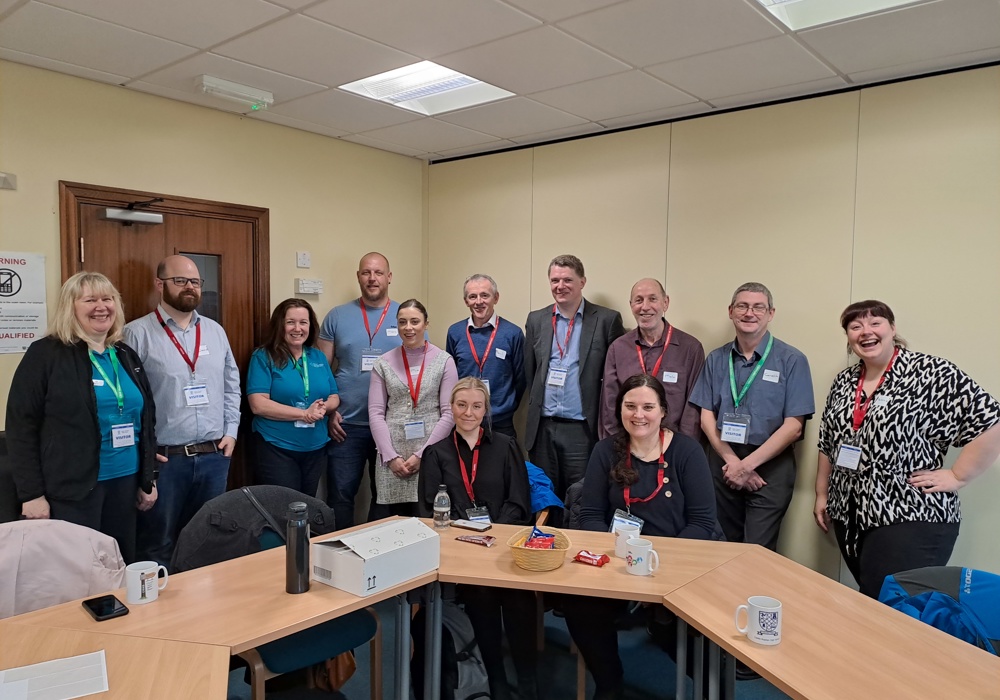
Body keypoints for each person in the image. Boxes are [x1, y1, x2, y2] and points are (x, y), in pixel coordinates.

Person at [815, 300, 1000, 598]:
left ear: (892, 328)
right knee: (872, 602)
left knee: (892, 608)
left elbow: (991, 421)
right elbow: (827, 440)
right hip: (851, 513)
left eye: (875, 323)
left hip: (909, 512)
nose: (866, 331)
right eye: (855, 326)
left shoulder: (931, 372)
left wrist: (957, 476)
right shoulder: (845, 381)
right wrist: (822, 494)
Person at [563, 373, 717, 700]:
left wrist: (654, 570)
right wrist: (620, 564)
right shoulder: (606, 451)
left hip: (673, 566)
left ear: (663, 411)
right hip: (618, 562)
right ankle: (610, 684)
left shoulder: (687, 452)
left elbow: (703, 523)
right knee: (579, 605)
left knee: (683, 625)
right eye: (630, 406)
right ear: (620, 409)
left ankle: (706, 682)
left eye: (648, 407)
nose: (638, 415)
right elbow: (591, 516)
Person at [7, 272, 159, 562]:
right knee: (76, 570)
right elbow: (21, 427)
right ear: (70, 307)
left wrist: (148, 478)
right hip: (72, 489)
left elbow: (146, 419)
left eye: (107, 299)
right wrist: (31, 495)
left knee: (119, 564)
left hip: (125, 483)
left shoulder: (125, 354)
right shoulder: (46, 354)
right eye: (90, 300)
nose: (101, 307)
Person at [420, 378, 536, 700]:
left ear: (486, 410)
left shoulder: (506, 446)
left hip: (504, 547)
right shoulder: (436, 454)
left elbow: (519, 501)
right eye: (461, 405)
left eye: (476, 406)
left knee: (519, 599)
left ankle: (528, 681)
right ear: (451, 408)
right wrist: (471, 540)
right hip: (462, 554)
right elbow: (430, 509)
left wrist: (493, 535)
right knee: (481, 597)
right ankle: (496, 679)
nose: (468, 413)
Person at [124, 255, 241, 567]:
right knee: (157, 545)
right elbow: (128, 400)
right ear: (159, 284)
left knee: (208, 542)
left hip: (214, 457)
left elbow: (232, 385)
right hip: (165, 462)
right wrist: (143, 452)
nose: (190, 287)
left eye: (195, 281)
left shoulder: (215, 331)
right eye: (180, 280)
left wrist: (231, 431)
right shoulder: (136, 334)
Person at [690, 282, 814, 551]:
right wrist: (733, 463)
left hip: (770, 466)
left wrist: (746, 467)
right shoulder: (716, 359)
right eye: (742, 306)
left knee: (757, 550)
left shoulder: (792, 360)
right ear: (731, 311)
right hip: (723, 462)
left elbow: (794, 426)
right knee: (722, 546)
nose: (749, 313)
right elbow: (706, 417)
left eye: (758, 307)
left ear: (771, 314)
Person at [524, 254, 625, 500]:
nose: (560, 286)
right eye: (555, 280)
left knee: (579, 495)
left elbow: (615, 377)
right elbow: (530, 371)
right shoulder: (536, 319)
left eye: (567, 280)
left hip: (582, 429)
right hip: (543, 428)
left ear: (582, 282)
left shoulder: (606, 320)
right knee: (543, 495)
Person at [317, 252, 402, 528]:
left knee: (386, 497)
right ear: (358, 277)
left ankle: (378, 549)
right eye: (366, 272)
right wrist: (329, 412)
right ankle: (339, 549)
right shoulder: (337, 316)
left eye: (378, 273)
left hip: (390, 424)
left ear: (389, 277)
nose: (372, 278)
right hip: (345, 425)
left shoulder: (405, 317)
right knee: (340, 495)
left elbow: (417, 370)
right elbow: (321, 371)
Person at [368, 299, 458, 518]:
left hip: (431, 452)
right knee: (392, 520)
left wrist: (422, 455)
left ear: (426, 324)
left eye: (415, 321)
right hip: (392, 455)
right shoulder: (383, 363)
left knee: (427, 517)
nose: (408, 328)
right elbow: (376, 412)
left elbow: (449, 413)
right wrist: (390, 456)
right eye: (402, 322)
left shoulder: (444, 361)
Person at [247, 299, 340, 497]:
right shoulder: (263, 356)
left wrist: (323, 408)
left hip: (315, 447)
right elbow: (258, 404)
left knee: (307, 505)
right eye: (290, 322)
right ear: (280, 325)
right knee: (284, 506)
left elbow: (334, 396)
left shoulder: (317, 357)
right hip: (276, 446)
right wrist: (304, 414)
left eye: (303, 322)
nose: (297, 329)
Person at [600, 278, 704, 441]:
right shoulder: (618, 348)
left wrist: (683, 448)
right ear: (631, 305)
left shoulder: (690, 349)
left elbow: (692, 412)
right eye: (638, 300)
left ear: (665, 303)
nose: (645, 307)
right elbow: (609, 404)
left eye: (652, 299)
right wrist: (616, 446)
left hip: (673, 445)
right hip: (627, 444)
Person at [445, 274, 525, 440]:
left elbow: (521, 379)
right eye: (472, 296)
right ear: (466, 301)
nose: (479, 302)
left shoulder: (513, 333)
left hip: (501, 423)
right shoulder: (455, 332)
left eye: (484, 295)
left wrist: (504, 406)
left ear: (496, 298)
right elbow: (451, 377)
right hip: (465, 421)